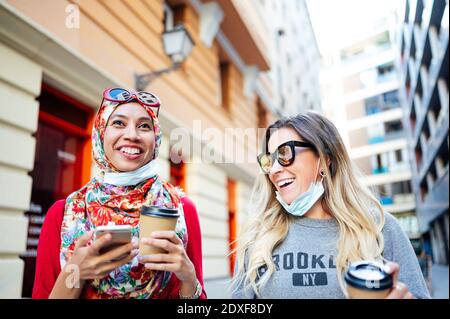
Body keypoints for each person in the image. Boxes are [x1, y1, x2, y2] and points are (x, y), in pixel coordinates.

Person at [231, 112, 430, 299]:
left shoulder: (379, 227)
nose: (273, 170)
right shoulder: (257, 237)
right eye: (269, 160)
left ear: (325, 157)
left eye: (284, 153)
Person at [32, 88, 206, 299]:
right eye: (119, 123)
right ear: (100, 134)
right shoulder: (62, 213)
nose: (132, 135)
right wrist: (75, 272)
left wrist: (189, 279)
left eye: (144, 126)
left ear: (156, 139)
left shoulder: (182, 209)